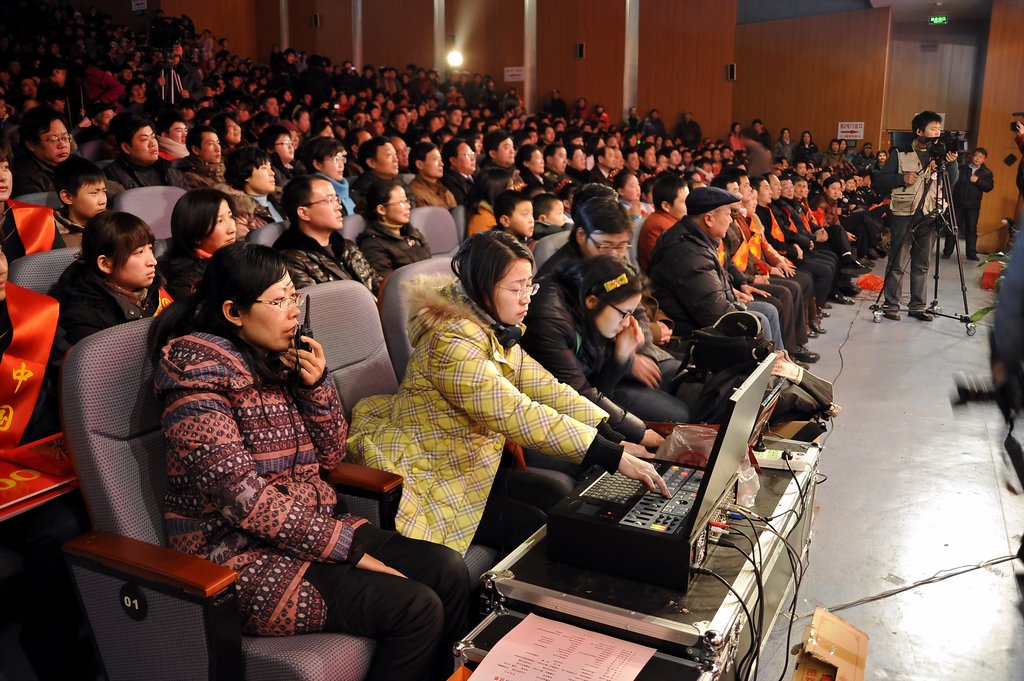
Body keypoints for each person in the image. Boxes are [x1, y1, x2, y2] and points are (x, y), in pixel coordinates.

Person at [148, 242, 469, 681]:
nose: (293, 311)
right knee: (415, 607)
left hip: (309, 530)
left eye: (293, 296)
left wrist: (317, 387)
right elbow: (243, 500)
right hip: (236, 559)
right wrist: (347, 548)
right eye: (278, 301)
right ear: (233, 312)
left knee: (449, 572)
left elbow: (332, 454)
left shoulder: (275, 360)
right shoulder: (194, 383)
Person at [348, 231, 669, 557]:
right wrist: (610, 455)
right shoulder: (450, 342)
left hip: (471, 462)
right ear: (483, 287)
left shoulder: (490, 328)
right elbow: (517, 412)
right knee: (538, 524)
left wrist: (614, 437)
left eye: (529, 286)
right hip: (431, 471)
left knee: (558, 498)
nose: (526, 298)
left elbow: (549, 389)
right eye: (516, 289)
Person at [539, 184, 690, 423]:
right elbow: (580, 388)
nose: (616, 254)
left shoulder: (608, 260)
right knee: (680, 414)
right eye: (607, 246)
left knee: (693, 380)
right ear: (581, 236)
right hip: (598, 380)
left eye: (622, 247)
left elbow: (636, 308)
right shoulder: (557, 290)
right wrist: (624, 359)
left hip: (625, 358)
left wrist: (638, 350)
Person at [523, 255, 666, 447]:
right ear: (592, 301)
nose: (627, 324)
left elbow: (598, 387)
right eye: (624, 314)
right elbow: (579, 393)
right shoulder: (550, 322)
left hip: (580, 400)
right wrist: (640, 433)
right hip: (543, 416)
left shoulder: (590, 306)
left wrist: (621, 356)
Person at [648, 186, 785, 350]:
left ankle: (777, 360)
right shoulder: (688, 254)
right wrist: (737, 306)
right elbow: (715, 315)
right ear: (708, 219)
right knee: (758, 320)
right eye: (727, 214)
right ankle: (770, 363)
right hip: (692, 335)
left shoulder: (696, 239)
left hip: (703, 317)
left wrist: (735, 298)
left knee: (767, 311)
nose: (731, 220)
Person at [875, 110, 959, 321]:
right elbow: (881, 180)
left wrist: (952, 163)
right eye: (933, 128)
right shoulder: (900, 153)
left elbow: (952, 181)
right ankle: (891, 304)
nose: (937, 132)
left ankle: (918, 306)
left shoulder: (940, 155)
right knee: (897, 262)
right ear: (919, 131)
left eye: (939, 129)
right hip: (904, 214)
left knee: (922, 264)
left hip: (930, 213)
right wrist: (902, 178)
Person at [50, 211, 167, 346]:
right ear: (105, 264)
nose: (153, 261)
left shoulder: (155, 290)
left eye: (150, 249)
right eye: (139, 252)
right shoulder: (83, 316)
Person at [275, 175, 382, 293]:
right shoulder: (291, 261)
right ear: (304, 213)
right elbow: (315, 302)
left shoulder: (346, 246)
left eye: (336, 199)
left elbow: (377, 285)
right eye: (329, 200)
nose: (339, 207)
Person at [157, 188, 238, 300]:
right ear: (196, 233)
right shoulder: (185, 281)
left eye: (230, 216)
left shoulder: (243, 257)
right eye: (219, 221)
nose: (232, 229)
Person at [357, 180, 431, 278]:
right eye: (402, 202)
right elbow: (389, 282)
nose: (408, 206)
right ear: (381, 209)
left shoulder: (413, 233)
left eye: (407, 201)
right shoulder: (372, 245)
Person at [103, 112, 187, 190]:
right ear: (126, 147)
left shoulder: (168, 168)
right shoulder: (112, 176)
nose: (152, 143)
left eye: (153, 137)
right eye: (144, 139)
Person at [945, 147, 993, 261]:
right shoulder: (961, 168)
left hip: (973, 206)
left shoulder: (987, 172)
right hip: (958, 203)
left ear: (984, 159)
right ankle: (947, 252)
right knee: (952, 228)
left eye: (981, 157)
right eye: (976, 155)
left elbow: (989, 187)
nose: (977, 158)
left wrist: (978, 181)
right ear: (971, 156)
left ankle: (971, 254)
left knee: (971, 229)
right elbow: (952, 180)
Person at [11, 106, 72, 195]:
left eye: (65, 137)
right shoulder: (21, 177)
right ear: (30, 144)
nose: (62, 145)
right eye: (53, 139)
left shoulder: (77, 163)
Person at [53, 156, 108, 249]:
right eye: (94, 193)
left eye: (104, 191)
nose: (103, 201)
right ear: (67, 197)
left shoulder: (113, 225)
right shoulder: (54, 235)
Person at [638, 173, 688, 272]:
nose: (689, 205)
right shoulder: (658, 225)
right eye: (684, 202)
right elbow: (672, 264)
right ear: (666, 206)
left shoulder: (672, 221)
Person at [300, 136, 357, 216]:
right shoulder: (316, 196)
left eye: (342, 159)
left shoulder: (350, 192)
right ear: (317, 164)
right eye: (336, 159)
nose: (341, 165)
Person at [465, 166, 514, 236]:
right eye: (509, 187)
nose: (513, 190)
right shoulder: (483, 219)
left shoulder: (496, 212)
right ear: (495, 190)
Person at [407, 141, 456, 209]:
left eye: (440, 159)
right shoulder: (415, 192)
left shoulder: (443, 189)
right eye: (435, 159)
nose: (441, 164)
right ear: (419, 164)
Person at [178, 124, 226, 189]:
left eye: (218, 143)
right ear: (195, 150)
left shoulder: (225, 168)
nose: (218, 148)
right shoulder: (190, 178)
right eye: (211, 144)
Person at [440, 137, 476, 206]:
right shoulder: (449, 182)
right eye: (467, 155)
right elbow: (465, 206)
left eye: (473, 154)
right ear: (453, 160)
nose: (473, 158)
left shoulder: (477, 176)